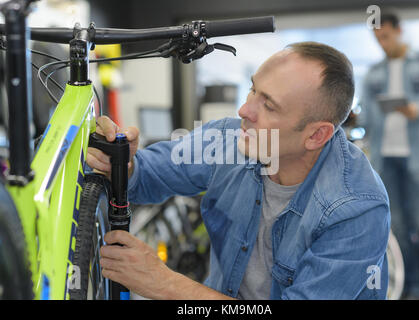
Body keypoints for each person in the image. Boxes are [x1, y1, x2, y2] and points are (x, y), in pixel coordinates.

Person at [88, 41, 391, 300]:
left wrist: (166, 284)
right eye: (253, 89)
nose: (244, 111)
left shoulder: (357, 209)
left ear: (315, 136)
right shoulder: (230, 140)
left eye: (269, 106)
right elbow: (149, 174)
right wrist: (124, 165)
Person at [359, 11, 419, 299]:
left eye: (385, 36)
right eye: (377, 38)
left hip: (418, 157)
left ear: (399, 31)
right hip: (385, 158)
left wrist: (417, 110)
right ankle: (409, 283)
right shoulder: (373, 72)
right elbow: (366, 116)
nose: (381, 43)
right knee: (395, 224)